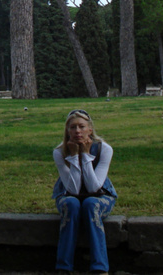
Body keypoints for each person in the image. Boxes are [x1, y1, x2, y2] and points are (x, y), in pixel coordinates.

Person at [52, 108, 117, 273]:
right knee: (71, 205)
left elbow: (95, 187)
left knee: (91, 204)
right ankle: (63, 267)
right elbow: (72, 189)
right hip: (68, 194)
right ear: (67, 130)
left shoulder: (104, 149)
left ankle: (99, 267)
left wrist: (86, 155)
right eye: (72, 127)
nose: (77, 131)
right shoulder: (59, 152)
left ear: (90, 129)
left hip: (101, 195)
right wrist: (74, 157)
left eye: (81, 126)